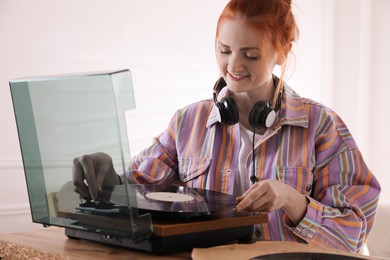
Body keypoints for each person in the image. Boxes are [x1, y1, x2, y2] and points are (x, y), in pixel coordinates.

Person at [72, 0, 381, 254]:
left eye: (250, 55)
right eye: (224, 51)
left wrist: (292, 199)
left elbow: (353, 236)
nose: (234, 66)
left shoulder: (322, 127)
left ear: (282, 51)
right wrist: (108, 178)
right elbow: (139, 194)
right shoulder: (186, 123)